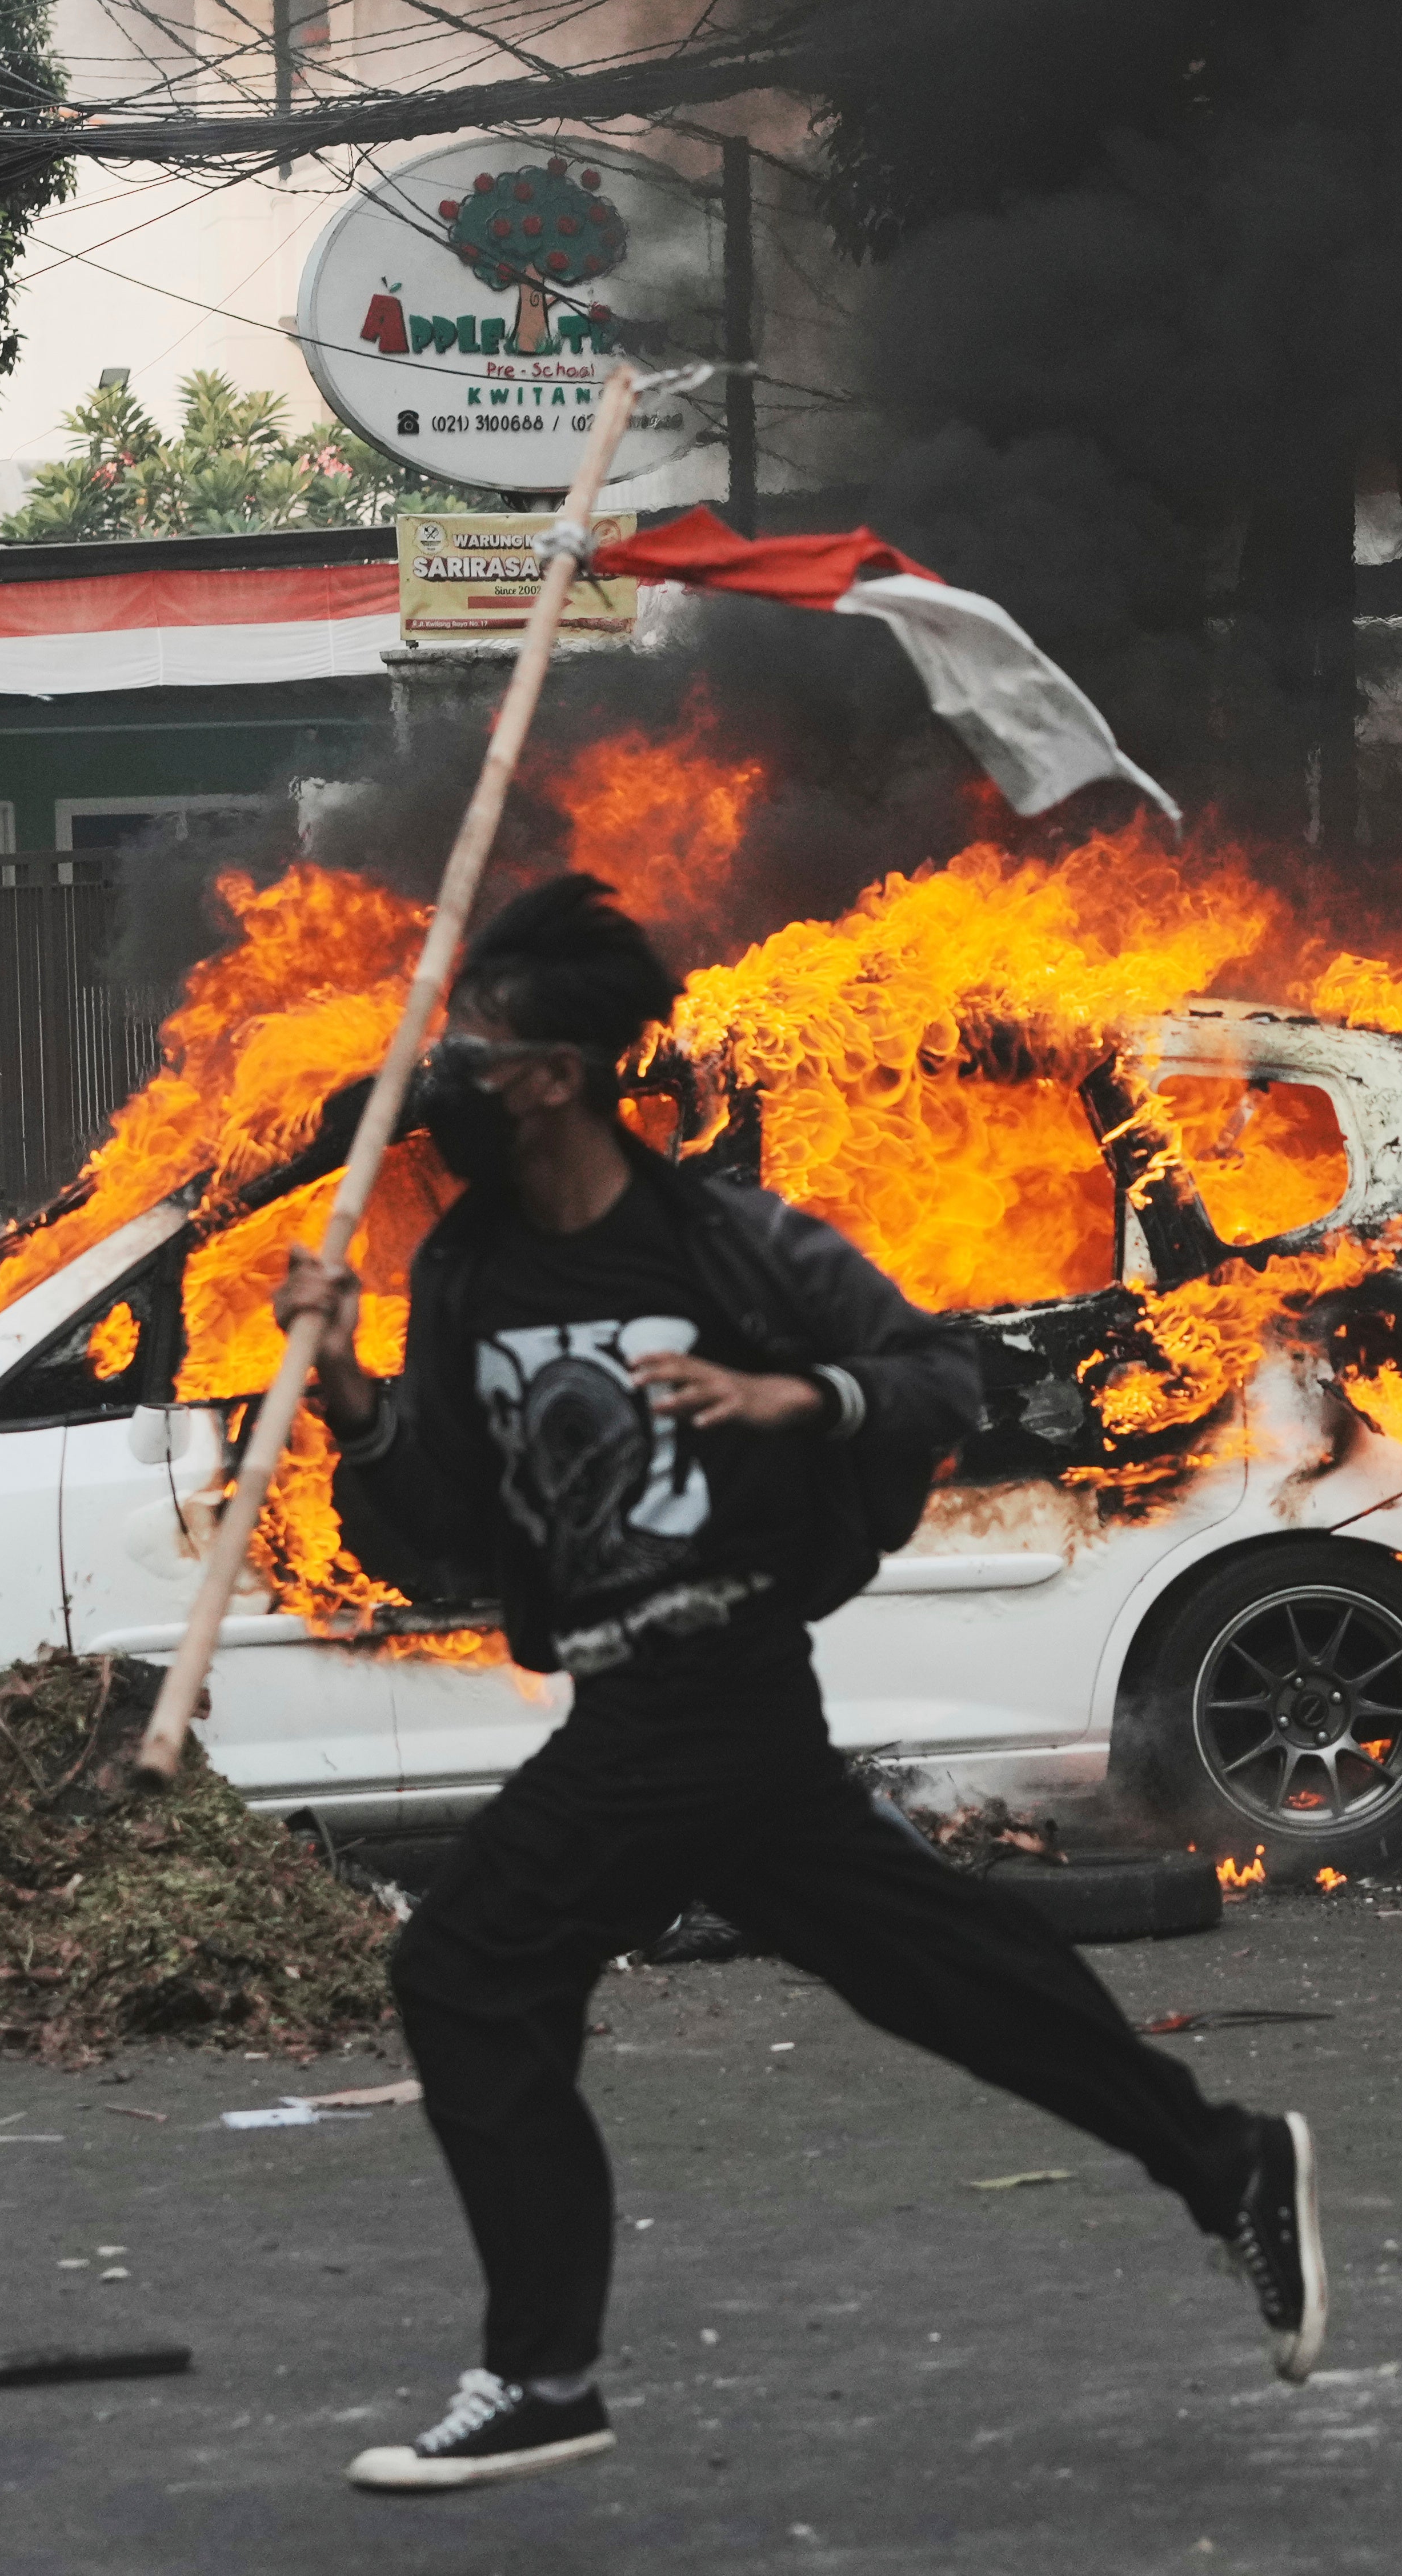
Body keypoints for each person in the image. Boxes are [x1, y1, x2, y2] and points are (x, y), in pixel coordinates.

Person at [277, 875, 1325, 2495]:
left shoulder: (729, 1243)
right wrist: (351, 1399)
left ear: (554, 1073)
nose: (441, 1079)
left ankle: (544, 2369)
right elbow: (446, 1535)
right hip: (650, 1701)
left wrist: (792, 1393)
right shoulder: (471, 1273)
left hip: (708, 1680)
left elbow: (955, 1378)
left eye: (470, 1048)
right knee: (940, 1967)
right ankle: (1227, 2158)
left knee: (470, 1971)